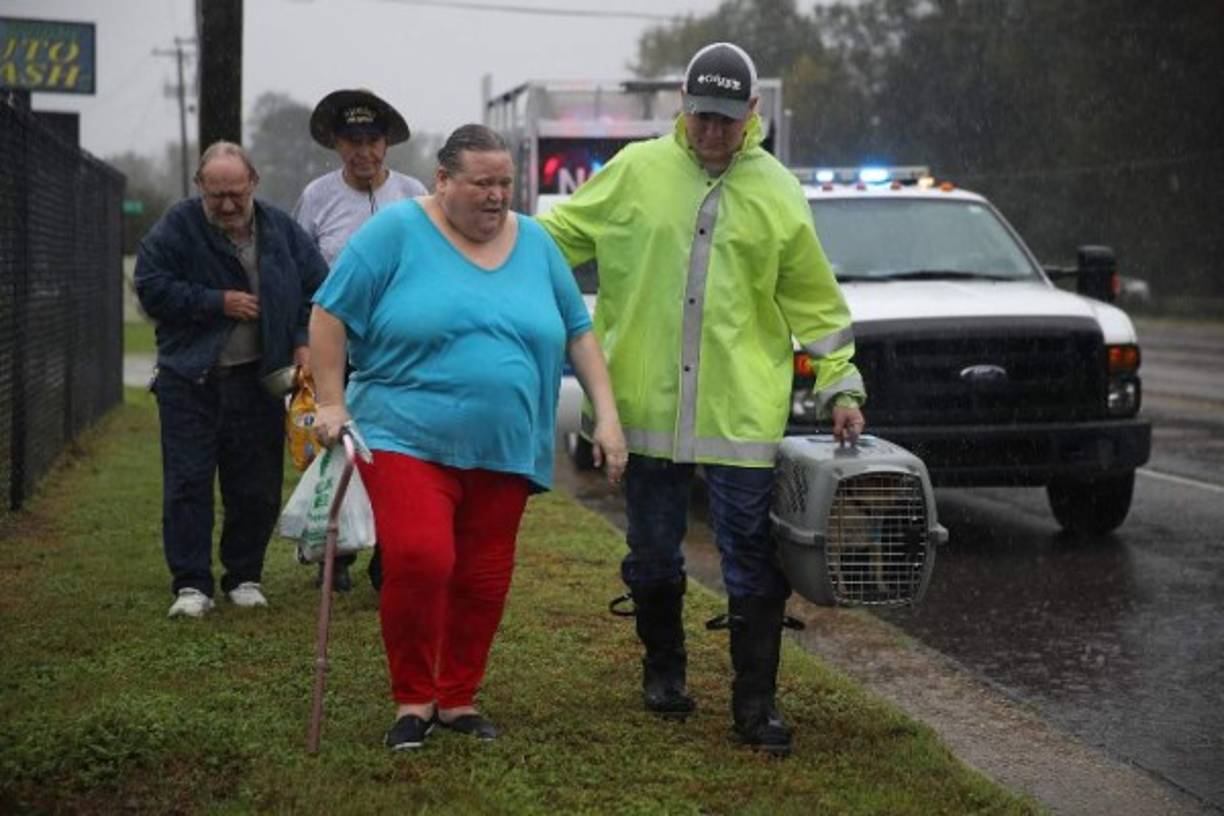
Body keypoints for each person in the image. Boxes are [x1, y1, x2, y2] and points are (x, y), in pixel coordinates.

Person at [537, 42, 867, 757]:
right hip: (644, 410)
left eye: (725, 120)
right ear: (680, 110)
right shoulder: (635, 172)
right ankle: (664, 671)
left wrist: (840, 380)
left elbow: (813, 297)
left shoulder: (777, 190)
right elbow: (553, 238)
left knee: (750, 556)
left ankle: (756, 707)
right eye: (700, 118)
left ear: (752, 113)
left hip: (737, 414)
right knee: (653, 554)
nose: (711, 133)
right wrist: (483, 255)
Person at [310, 124, 627, 750]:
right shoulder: (396, 232)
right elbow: (330, 312)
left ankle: (456, 696)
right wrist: (330, 401)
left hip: (506, 446)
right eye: (482, 183)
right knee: (424, 558)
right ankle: (412, 697)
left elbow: (578, 332)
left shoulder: (536, 244)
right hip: (403, 435)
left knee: (483, 578)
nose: (496, 196)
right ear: (444, 181)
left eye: (505, 183)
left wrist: (607, 415)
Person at [135, 141, 328, 618]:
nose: (226, 204)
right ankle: (191, 585)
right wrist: (214, 302)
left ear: (253, 184)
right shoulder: (177, 227)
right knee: (187, 482)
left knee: (256, 486)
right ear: (199, 187)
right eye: (215, 193)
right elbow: (150, 285)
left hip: (259, 380)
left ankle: (244, 576)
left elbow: (319, 287)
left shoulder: (281, 229)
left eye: (235, 193)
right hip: (189, 381)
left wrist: (303, 338)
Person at [293, 88, 429, 592]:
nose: (364, 152)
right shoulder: (316, 197)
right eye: (353, 141)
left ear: (387, 144)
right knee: (337, 447)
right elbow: (300, 273)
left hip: (399, 351)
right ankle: (337, 551)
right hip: (337, 348)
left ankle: (389, 558)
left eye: (373, 141)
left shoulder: (414, 194)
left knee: (397, 454)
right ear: (336, 145)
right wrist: (300, 340)